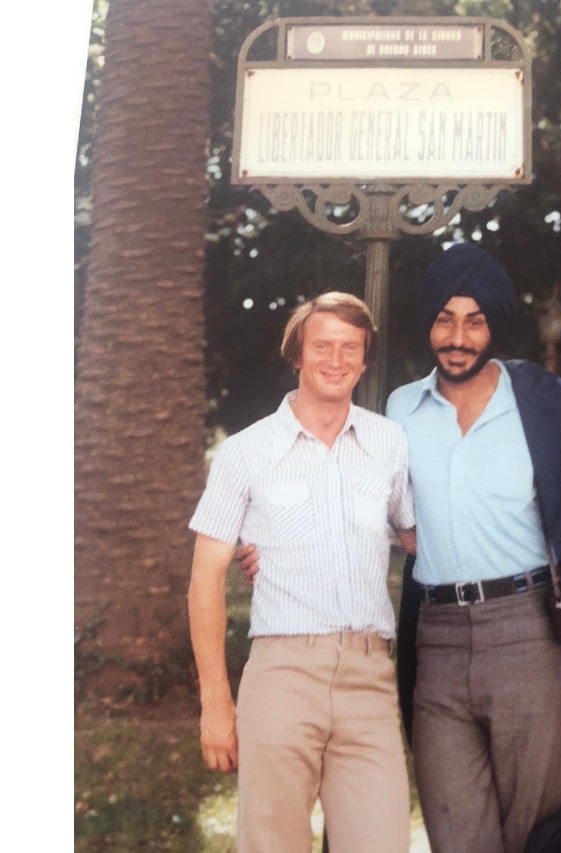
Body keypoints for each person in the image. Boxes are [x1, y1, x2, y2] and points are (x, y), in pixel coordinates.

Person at [386, 242, 561, 853]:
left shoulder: (552, 406)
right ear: (429, 322)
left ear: (496, 326)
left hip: (530, 639)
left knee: (536, 838)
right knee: (455, 837)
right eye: (444, 319)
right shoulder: (399, 410)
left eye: (474, 320)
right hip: (436, 643)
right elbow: (370, 507)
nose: (457, 337)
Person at [186, 292, 416, 853]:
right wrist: (216, 703)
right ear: (297, 354)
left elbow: (415, 538)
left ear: (364, 359)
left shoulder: (388, 443)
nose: (335, 359)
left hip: (368, 677)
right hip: (283, 672)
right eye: (322, 346)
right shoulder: (245, 452)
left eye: (350, 348)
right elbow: (203, 582)